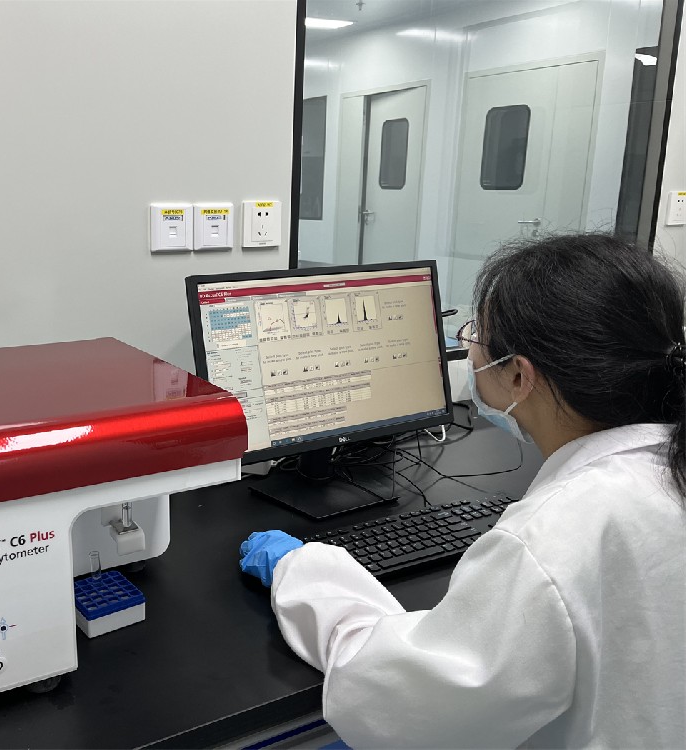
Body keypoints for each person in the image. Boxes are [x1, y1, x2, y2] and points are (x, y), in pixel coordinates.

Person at [239, 234, 686, 749]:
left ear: (518, 375)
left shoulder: (553, 537)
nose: (469, 346)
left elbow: (404, 708)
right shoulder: (658, 473)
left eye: (476, 332)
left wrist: (303, 573)